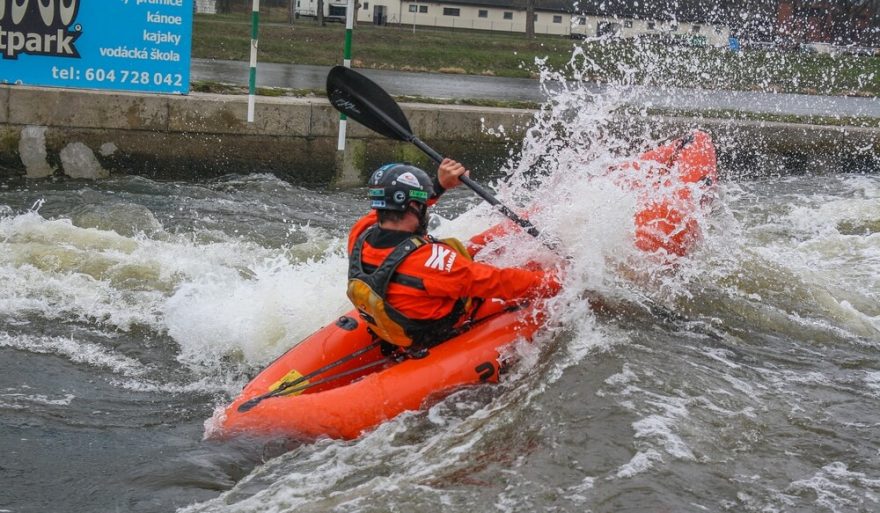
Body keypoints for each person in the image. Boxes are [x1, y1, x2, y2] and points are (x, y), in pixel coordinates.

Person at [347, 159, 562, 357]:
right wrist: (560, 279)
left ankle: (532, 215)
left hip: (404, 306)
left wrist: (439, 185)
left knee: (482, 241)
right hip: (434, 328)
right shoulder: (433, 263)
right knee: (519, 270)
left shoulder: (359, 234)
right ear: (414, 206)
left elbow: (398, 204)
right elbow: (502, 281)